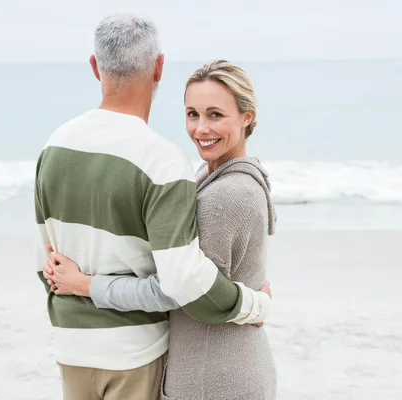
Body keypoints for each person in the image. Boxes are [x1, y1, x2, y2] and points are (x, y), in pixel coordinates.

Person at [33, 12, 271, 400]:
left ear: (95, 67)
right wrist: (254, 304)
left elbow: (44, 264)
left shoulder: (54, 146)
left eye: (214, 114)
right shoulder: (163, 161)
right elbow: (182, 283)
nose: (200, 127)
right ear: (159, 67)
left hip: (71, 350)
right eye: (193, 113)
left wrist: (79, 287)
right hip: (136, 352)